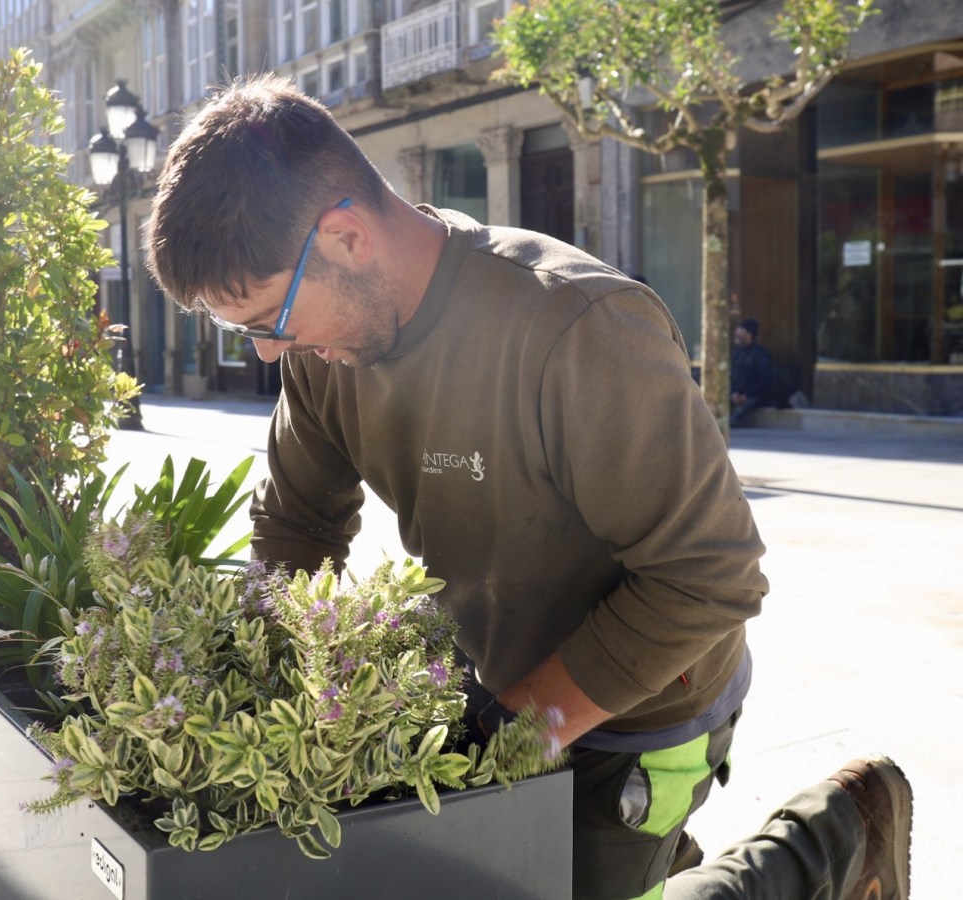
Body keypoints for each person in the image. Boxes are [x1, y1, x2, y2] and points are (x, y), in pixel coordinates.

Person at [145, 75, 912, 900]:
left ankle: (834, 835)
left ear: (344, 237)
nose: (265, 353)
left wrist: (516, 734)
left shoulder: (579, 327)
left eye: (265, 321)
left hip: (643, 709)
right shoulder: (318, 354)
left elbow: (710, 577)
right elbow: (296, 524)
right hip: (495, 678)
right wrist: (273, 699)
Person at [730, 319, 772, 427]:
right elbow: (732, 376)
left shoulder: (760, 354)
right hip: (737, 394)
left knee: (746, 405)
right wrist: (734, 393)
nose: (736, 335)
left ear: (749, 335)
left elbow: (765, 381)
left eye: (741, 332)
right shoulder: (736, 354)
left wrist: (746, 395)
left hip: (754, 395)